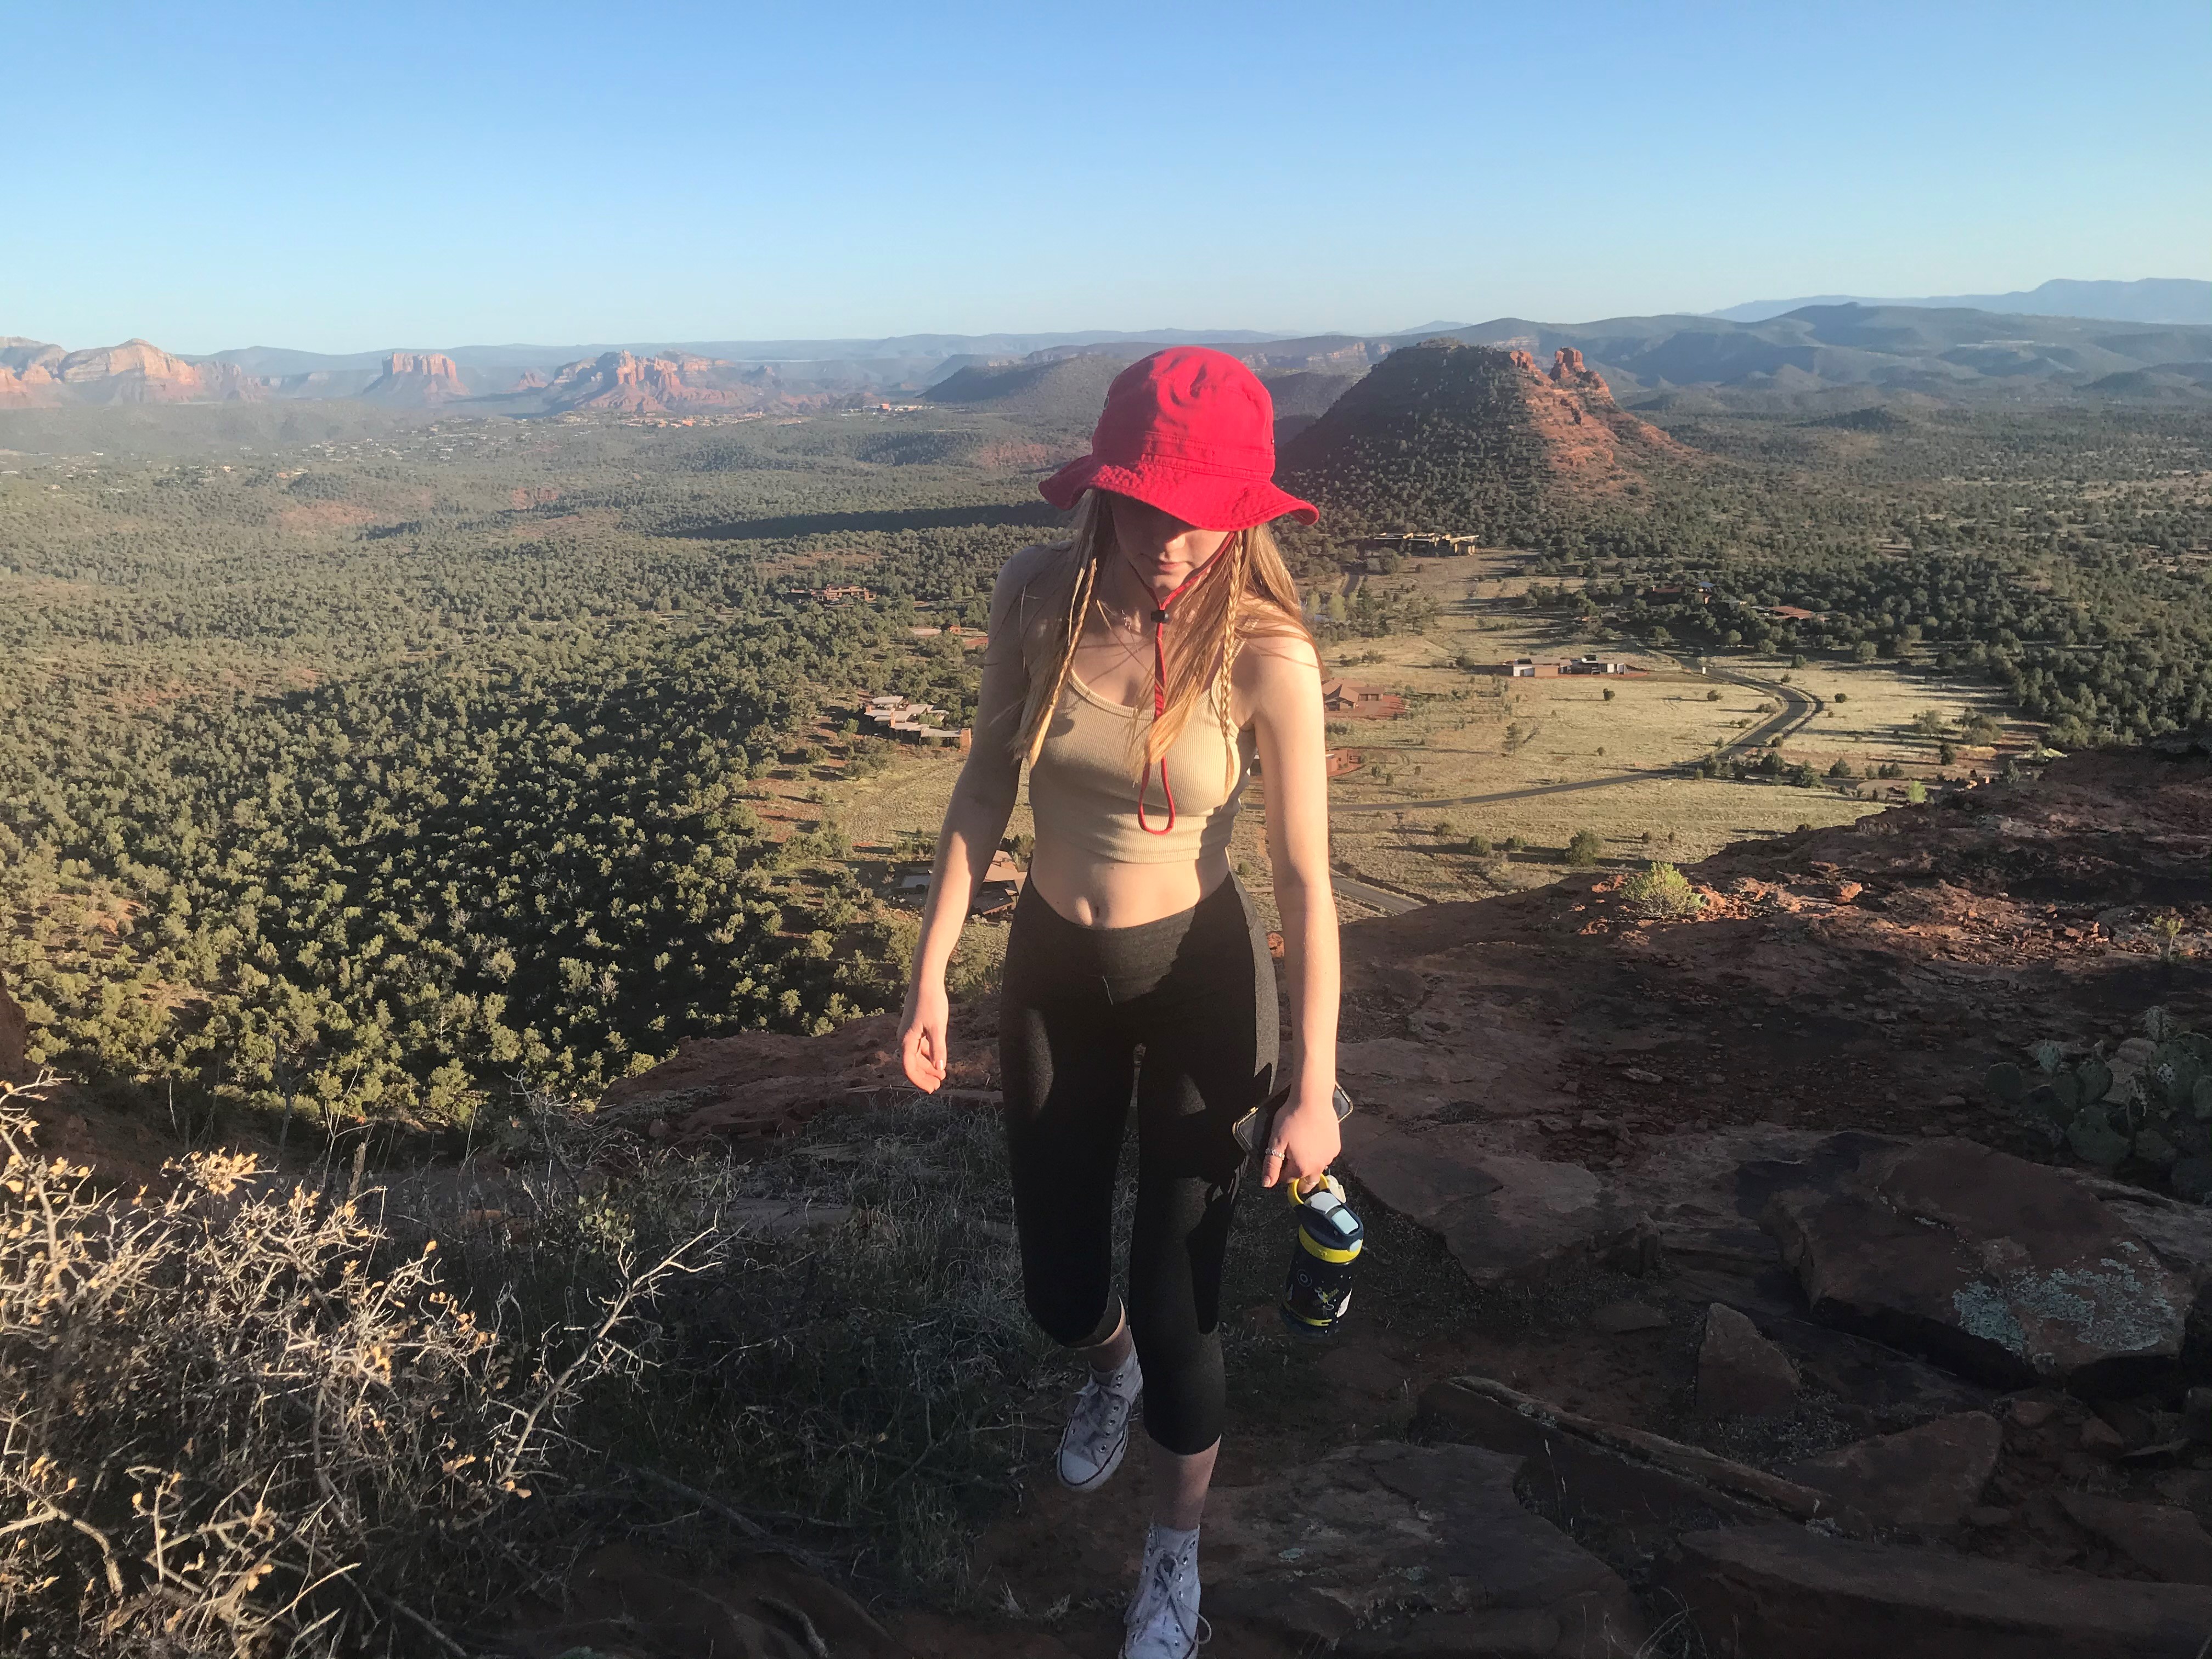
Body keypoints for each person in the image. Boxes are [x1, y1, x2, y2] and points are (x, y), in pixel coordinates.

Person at [898, 347, 1341, 1659]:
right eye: (1154, 507)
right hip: (1050, 970)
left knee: (1180, 1297)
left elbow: (1307, 884)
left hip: (1199, 978)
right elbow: (984, 782)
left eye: (1210, 514)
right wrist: (930, 970)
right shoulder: (1036, 595)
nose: (1178, 542)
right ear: (1106, 493)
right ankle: (1109, 1379)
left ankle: (1171, 1557)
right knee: (1057, 1289)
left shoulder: (1268, 652)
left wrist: (1314, 1087)